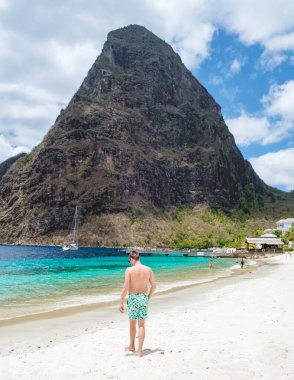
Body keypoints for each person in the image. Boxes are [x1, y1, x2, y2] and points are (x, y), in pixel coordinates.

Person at [119, 250, 156, 357]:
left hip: (133, 298)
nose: (129, 262)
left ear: (131, 259)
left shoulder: (129, 270)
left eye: (129, 260)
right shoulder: (148, 269)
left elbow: (126, 287)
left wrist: (121, 301)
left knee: (132, 324)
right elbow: (154, 286)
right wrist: (147, 297)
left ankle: (132, 346)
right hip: (143, 297)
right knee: (141, 324)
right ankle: (139, 351)